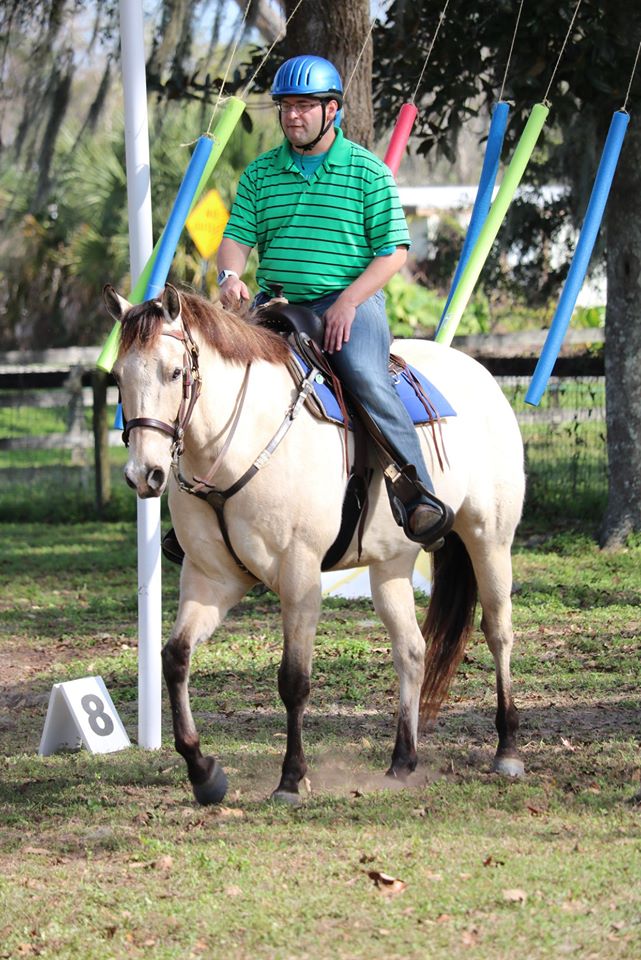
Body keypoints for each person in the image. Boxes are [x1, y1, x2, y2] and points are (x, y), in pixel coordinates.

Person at [216, 54, 453, 549]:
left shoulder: (367, 173)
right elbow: (237, 238)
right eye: (285, 106)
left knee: (364, 376)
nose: (292, 116)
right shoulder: (261, 175)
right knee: (222, 374)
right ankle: (204, 506)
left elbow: (392, 253)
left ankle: (418, 494)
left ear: (332, 110)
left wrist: (347, 302)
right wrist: (229, 275)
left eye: (305, 106)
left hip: (352, 303)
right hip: (277, 303)